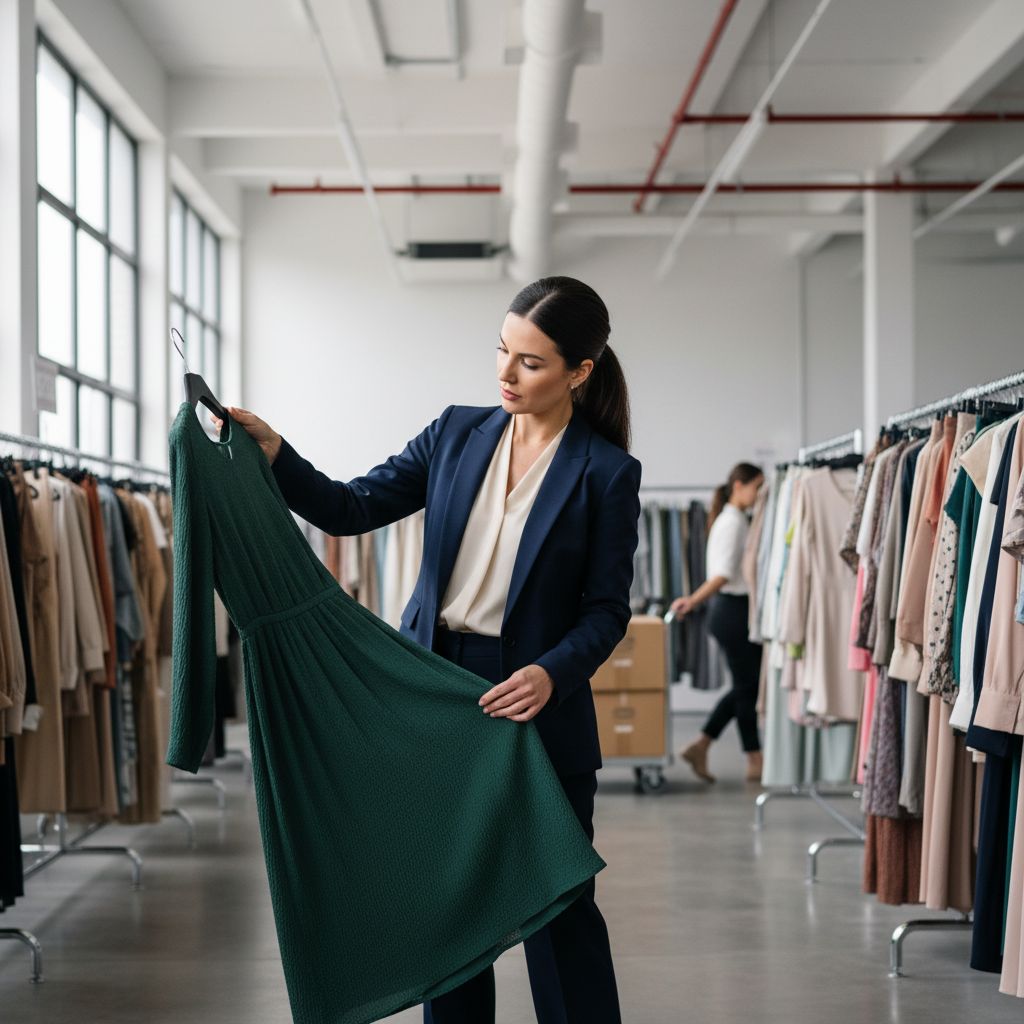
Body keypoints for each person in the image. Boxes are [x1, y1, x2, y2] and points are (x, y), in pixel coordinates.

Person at [218, 276, 641, 1024]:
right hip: (436, 694)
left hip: (536, 702)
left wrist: (553, 672)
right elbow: (351, 508)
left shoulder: (606, 473)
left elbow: (607, 611)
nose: (505, 375)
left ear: (580, 372)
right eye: (502, 352)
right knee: (445, 911)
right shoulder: (454, 433)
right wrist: (275, 452)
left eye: (531, 363)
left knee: (559, 908)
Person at [671, 463, 764, 784]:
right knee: (747, 687)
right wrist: (693, 601)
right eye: (757, 486)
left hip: (733, 611)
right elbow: (722, 575)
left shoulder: (734, 519)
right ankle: (753, 758)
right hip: (731, 611)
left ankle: (703, 745)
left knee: (745, 686)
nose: (759, 494)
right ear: (739, 485)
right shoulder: (733, 522)